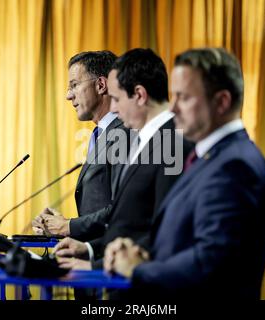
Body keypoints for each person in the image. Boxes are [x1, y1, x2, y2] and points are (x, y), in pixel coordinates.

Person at [104, 48, 265, 299]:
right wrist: (132, 250)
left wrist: (139, 269)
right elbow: (179, 237)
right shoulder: (211, 157)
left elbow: (210, 262)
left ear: (222, 102)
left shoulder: (235, 166)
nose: (172, 109)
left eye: (184, 98)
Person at [52, 48, 193, 275]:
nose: (114, 108)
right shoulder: (147, 140)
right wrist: (89, 248)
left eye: (116, 99)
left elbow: (163, 229)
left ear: (139, 95)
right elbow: (129, 219)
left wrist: (94, 265)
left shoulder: (170, 143)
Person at [32, 50, 127, 242]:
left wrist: (67, 227)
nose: (68, 95)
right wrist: (63, 224)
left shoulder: (124, 134)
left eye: (74, 85)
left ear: (101, 85)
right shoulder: (103, 134)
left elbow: (122, 209)